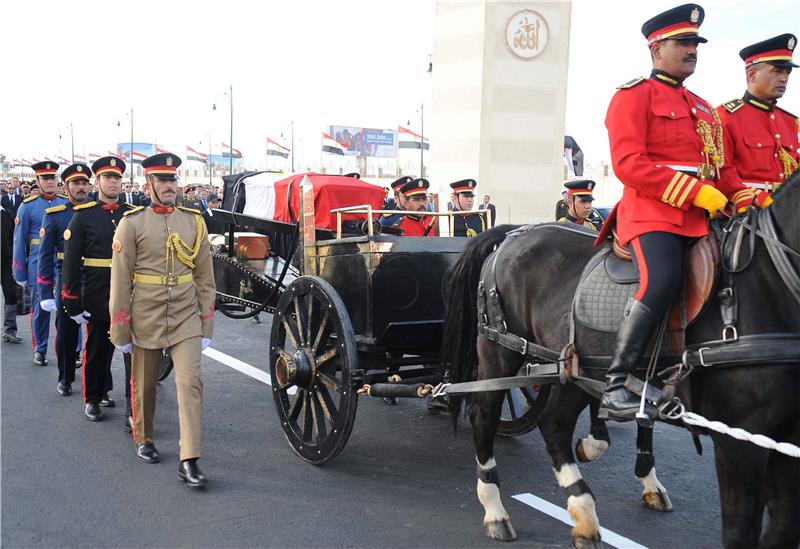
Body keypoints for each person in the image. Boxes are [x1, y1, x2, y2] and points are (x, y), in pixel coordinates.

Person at [598, 3, 772, 421]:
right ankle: (616, 384)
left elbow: (722, 171)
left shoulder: (704, 107)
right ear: (657, 48)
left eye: (695, 43)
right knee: (663, 280)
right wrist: (695, 192)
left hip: (700, 215)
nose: (692, 49)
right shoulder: (631, 96)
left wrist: (750, 197)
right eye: (683, 42)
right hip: (651, 214)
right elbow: (628, 164)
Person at [109, 153, 215, 488]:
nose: (170, 186)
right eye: (162, 180)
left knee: (190, 382)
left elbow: (205, 278)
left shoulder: (194, 221)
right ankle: (144, 437)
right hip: (146, 312)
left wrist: (206, 324)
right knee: (144, 382)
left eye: (173, 180)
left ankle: (190, 458)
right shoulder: (132, 223)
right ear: (148, 184)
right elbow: (121, 281)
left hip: (185, 314)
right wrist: (120, 327)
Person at [61, 156, 134, 421]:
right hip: (98, 292)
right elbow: (70, 262)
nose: (113, 182)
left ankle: (133, 407)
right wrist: (71, 299)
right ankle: (93, 397)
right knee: (98, 349)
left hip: (129, 292)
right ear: (98, 182)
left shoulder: (132, 214)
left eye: (117, 178)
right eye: (108, 177)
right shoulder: (83, 216)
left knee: (131, 353)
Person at [717, 34, 799, 193]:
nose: (784, 78)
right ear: (751, 75)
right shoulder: (726, 116)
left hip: (786, 208)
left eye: (787, 72)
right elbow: (722, 171)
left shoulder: (790, 121)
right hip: (746, 209)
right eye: (777, 71)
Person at [38, 163, 92, 396]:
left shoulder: (98, 212)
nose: (81, 187)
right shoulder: (55, 215)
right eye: (75, 183)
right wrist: (45, 292)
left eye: (84, 183)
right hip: (66, 279)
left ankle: (100, 384)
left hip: (94, 278)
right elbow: (45, 255)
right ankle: (66, 376)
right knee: (67, 332)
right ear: (66, 186)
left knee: (99, 334)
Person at [13, 161, 67, 365]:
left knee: (68, 309)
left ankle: (74, 350)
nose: (50, 181)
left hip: (63, 261)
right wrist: (19, 272)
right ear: (37, 181)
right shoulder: (27, 207)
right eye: (45, 178)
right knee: (40, 310)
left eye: (53, 177)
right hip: (38, 264)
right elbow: (19, 241)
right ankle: (40, 349)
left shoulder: (65, 203)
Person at [1, 201, 21, 343]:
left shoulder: (7, 214)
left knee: (11, 294)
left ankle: (10, 329)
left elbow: (15, 238)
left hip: (6, 262)